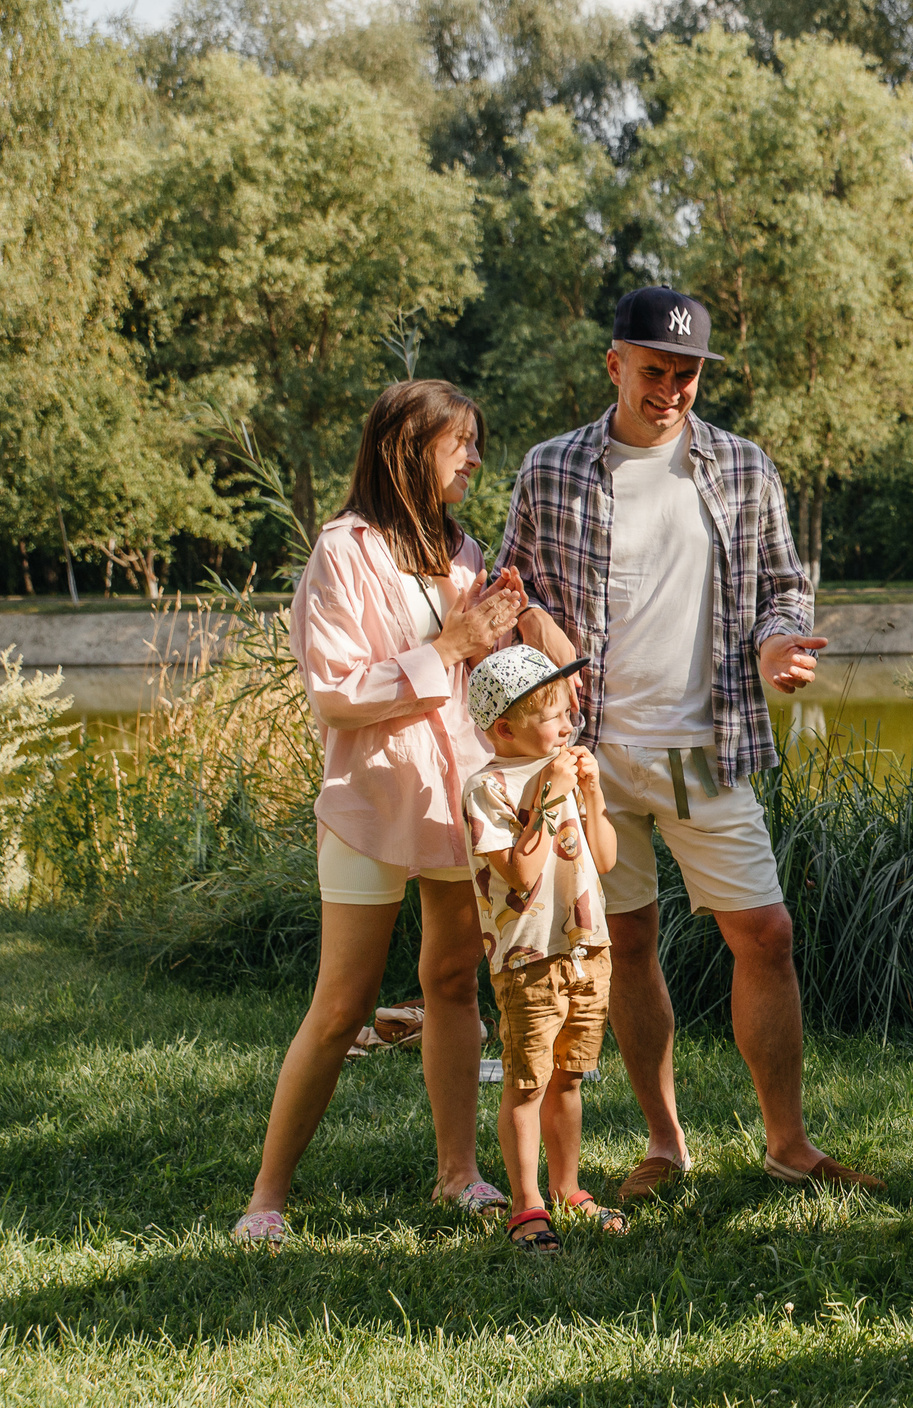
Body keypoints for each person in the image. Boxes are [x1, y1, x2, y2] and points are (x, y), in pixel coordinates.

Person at [499, 286, 874, 1203]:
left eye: (688, 374)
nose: (670, 389)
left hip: (704, 746)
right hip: (587, 754)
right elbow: (509, 588)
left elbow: (785, 588)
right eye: (655, 370)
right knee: (625, 940)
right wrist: (539, 621)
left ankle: (788, 1142)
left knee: (766, 932)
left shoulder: (743, 468)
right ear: (615, 364)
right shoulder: (550, 468)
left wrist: (781, 641)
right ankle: (666, 1143)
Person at [234, 378, 549, 1244]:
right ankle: (265, 1199)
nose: (477, 459)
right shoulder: (343, 551)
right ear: (409, 449)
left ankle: (460, 1176)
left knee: (453, 981)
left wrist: (502, 630)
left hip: (456, 797)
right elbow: (336, 695)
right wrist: (448, 641)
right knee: (341, 1004)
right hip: (373, 799)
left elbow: (478, 682)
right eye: (464, 444)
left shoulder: (465, 551)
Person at [460, 647, 622, 1252]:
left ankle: (569, 1186)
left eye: (566, 711)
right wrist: (553, 791)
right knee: (528, 1082)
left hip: (587, 948)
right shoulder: (488, 788)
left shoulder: (564, 770)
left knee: (570, 1078)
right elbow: (522, 876)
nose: (567, 725)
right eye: (552, 715)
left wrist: (594, 796)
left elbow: (603, 858)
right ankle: (527, 1203)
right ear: (504, 728)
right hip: (529, 959)